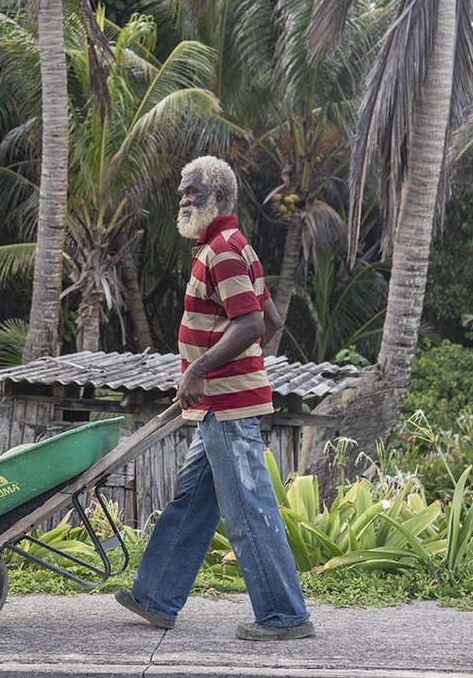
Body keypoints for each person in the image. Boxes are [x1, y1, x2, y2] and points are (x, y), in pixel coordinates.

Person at [115, 155, 314, 641]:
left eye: (193, 193)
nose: (183, 200)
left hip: (227, 405)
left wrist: (201, 369)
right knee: (192, 501)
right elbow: (270, 320)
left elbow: (249, 324)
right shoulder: (230, 245)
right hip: (219, 402)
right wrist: (217, 369)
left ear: (220, 198)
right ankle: (155, 596)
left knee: (246, 508)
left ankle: (285, 616)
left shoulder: (222, 249)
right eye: (182, 192)